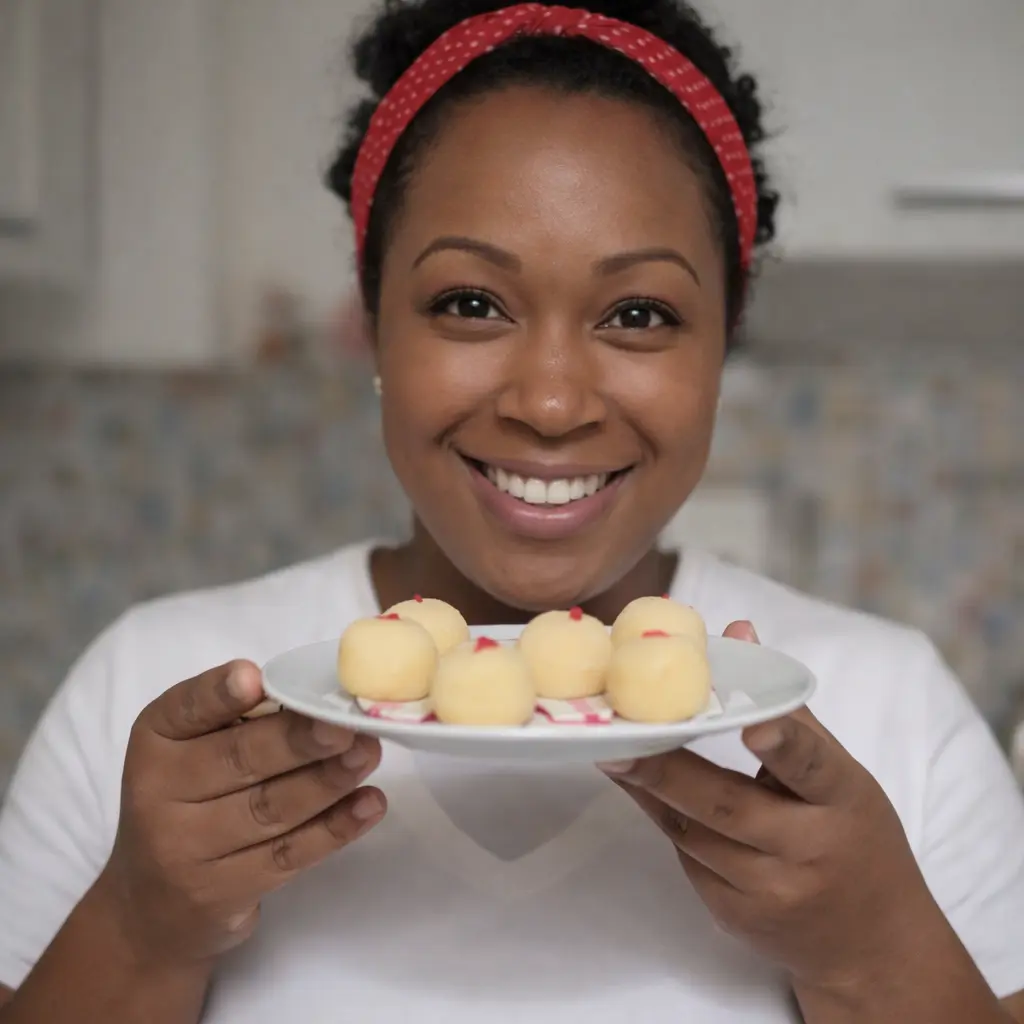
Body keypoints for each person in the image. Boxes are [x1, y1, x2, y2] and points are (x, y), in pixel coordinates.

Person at [1, 2, 1023, 1021]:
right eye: (471, 302)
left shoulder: (891, 713)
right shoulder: (150, 696)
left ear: (723, 345)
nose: (548, 402)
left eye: (638, 314)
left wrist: (876, 953)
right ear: (373, 322)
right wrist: (141, 926)